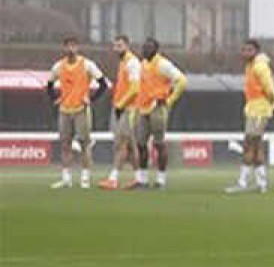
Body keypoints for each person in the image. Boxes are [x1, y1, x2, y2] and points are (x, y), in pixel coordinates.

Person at [45, 36, 106, 189]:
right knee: (65, 144)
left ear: (77, 48)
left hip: (81, 109)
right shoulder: (59, 66)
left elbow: (103, 84)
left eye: (73, 46)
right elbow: (49, 84)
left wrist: (91, 99)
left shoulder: (87, 65)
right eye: (68, 46)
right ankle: (66, 179)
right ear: (64, 48)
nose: (70, 49)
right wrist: (55, 98)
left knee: (84, 144)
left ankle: (85, 178)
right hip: (65, 109)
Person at [225, 39, 274, 195]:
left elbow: (271, 89)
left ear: (256, 51)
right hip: (254, 109)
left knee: (250, 144)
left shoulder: (259, 67)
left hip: (259, 110)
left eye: (249, 50)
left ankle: (243, 182)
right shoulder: (251, 66)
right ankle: (261, 183)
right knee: (256, 146)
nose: (245, 53)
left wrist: (272, 106)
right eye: (244, 50)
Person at [133, 38, 188, 190]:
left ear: (156, 49)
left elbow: (182, 81)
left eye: (149, 47)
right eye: (144, 47)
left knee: (159, 143)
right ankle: (142, 179)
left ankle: (161, 180)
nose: (145, 50)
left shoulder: (163, 64)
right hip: (143, 107)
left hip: (157, 107)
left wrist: (169, 100)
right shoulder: (143, 64)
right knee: (141, 144)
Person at [99, 34, 142, 190]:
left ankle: (113, 178)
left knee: (121, 144)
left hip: (129, 109)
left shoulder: (132, 62)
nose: (116, 49)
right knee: (130, 145)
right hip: (124, 108)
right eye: (115, 46)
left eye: (120, 45)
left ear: (127, 46)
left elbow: (135, 88)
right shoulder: (123, 63)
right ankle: (139, 178)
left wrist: (121, 104)